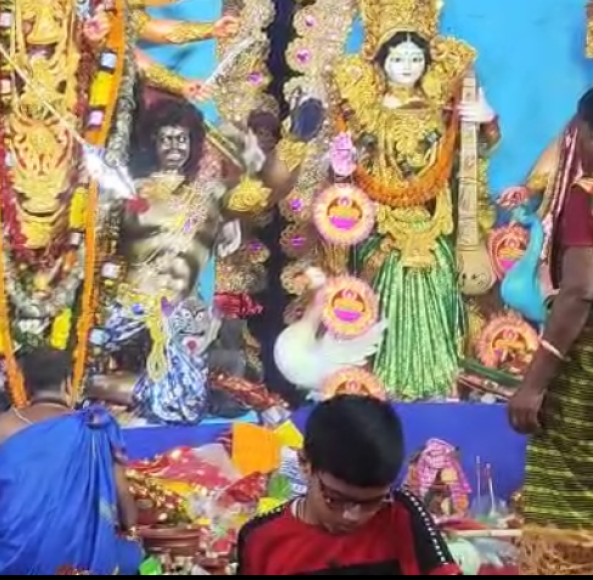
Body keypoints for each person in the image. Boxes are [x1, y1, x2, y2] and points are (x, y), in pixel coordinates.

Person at [0, 349, 142, 575]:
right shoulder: (95, 427)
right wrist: (128, 533)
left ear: (25, 384)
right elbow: (127, 510)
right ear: (68, 383)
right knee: (132, 554)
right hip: (82, 563)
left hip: (9, 564)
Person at [510, 88, 593, 574]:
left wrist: (535, 383)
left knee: (567, 504)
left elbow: (581, 290)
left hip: (583, 378)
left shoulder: (587, 194)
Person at [236, 395, 459, 575]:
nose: (352, 516)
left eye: (372, 502)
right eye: (335, 499)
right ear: (305, 464)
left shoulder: (402, 514)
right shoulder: (261, 540)